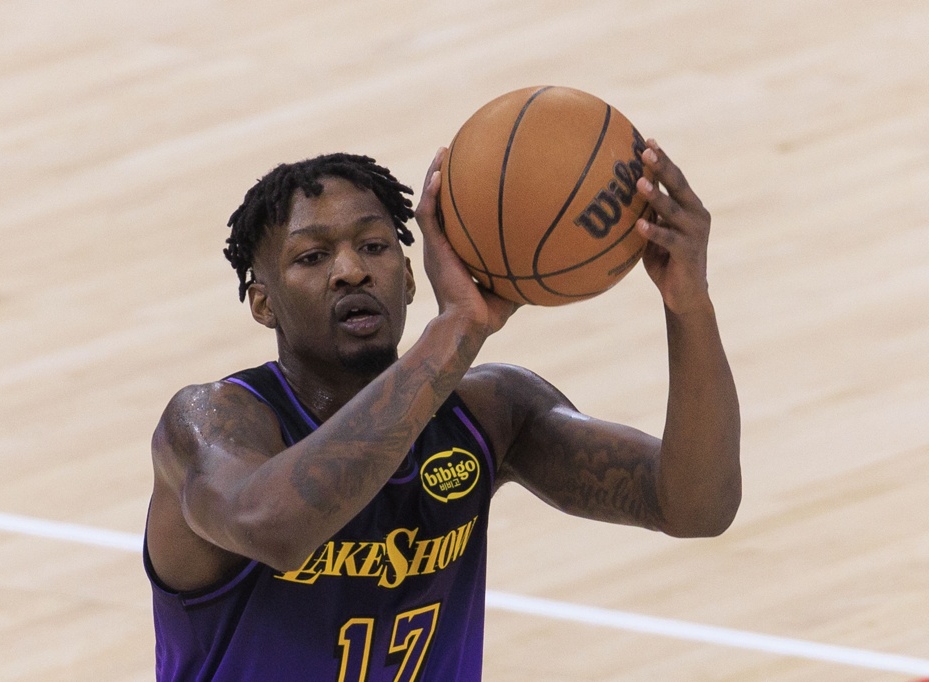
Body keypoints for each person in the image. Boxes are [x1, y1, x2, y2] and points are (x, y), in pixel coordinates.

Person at [144, 142, 741, 681]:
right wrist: (456, 329)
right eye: (312, 257)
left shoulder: (492, 413)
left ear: (409, 279)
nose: (351, 271)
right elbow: (274, 527)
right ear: (262, 304)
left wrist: (689, 305)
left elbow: (696, 506)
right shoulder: (210, 422)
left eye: (374, 246)